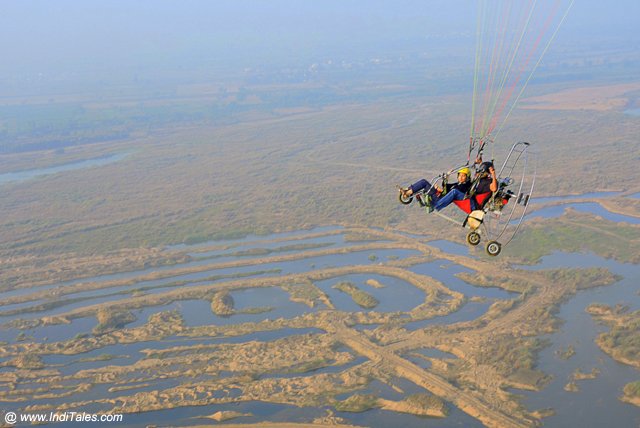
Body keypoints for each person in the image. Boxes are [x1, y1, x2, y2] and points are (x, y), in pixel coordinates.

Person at [400, 167, 472, 212]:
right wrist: (446, 179)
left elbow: (451, 191)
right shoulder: (457, 184)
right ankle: (409, 191)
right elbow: (446, 187)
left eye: (463, 176)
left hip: (439, 201)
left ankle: (407, 194)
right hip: (439, 198)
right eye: (459, 175)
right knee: (424, 183)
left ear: (467, 177)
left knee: (424, 183)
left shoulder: (464, 186)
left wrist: (441, 190)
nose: (460, 177)